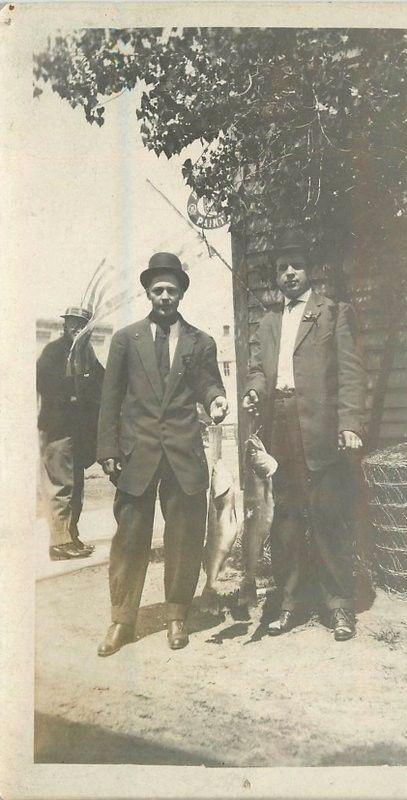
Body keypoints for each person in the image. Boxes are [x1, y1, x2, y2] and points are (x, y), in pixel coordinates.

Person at [97, 252, 228, 655]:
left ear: (181, 294)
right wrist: (107, 449)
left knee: (185, 537)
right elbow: (111, 397)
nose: (165, 296)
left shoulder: (200, 341)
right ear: (148, 293)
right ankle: (122, 620)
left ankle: (176, 616)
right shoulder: (125, 340)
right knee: (130, 538)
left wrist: (217, 399)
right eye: (158, 290)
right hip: (137, 455)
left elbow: (209, 383)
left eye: (172, 290)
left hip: (183, 453)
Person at [243, 230, 366, 641]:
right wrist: (253, 393)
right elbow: (259, 370)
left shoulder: (334, 313)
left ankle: (340, 607)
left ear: (309, 271)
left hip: (321, 429)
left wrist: (349, 424)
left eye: (295, 265)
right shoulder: (268, 322)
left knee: (329, 514)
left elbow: (350, 374)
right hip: (280, 425)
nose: (289, 273)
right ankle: (290, 603)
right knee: (287, 519)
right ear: (275, 277)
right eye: (282, 268)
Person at [37, 307, 104, 560]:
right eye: (73, 324)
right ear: (65, 326)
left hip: (78, 432)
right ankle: (59, 542)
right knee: (61, 486)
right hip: (58, 430)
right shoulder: (54, 351)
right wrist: (74, 396)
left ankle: (70, 537)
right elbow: (44, 383)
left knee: (76, 486)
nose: (77, 329)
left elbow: (102, 381)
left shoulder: (87, 354)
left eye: (82, 325)